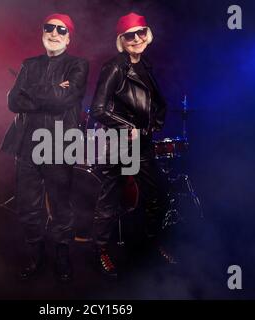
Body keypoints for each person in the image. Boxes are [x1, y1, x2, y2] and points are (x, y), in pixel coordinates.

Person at [0, 13, 89, 282]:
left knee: (61, 206)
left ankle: (62, 255)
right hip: (26, 144)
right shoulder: (29, 63)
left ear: (69, 38)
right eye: (49, 28)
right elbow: (14, 101)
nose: (53, 33)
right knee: (28, 206)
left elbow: (64, 100)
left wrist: (34, 91)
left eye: (61, 30)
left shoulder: (78, 65)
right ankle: (35, 255)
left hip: (59, 145)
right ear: (42, 33)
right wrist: (52, 91)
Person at [90, 12, 170, 279]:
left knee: (157, 193)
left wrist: (151, 127)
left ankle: (150, 244)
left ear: (147, 34)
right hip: (115, 143)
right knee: (109, 200)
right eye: (129, 35)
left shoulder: (145, 65)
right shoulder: (114, 67)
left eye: (140, 32)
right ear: (121, 41)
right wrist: (128, 127)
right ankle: (101, 251)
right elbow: (97, 109)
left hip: (141, 144)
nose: (136, 39)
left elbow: (155, 104)